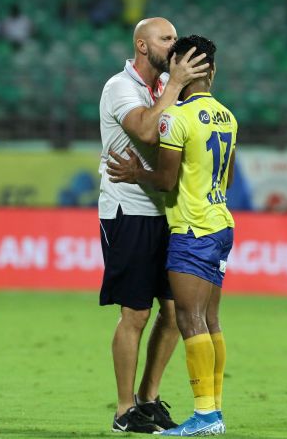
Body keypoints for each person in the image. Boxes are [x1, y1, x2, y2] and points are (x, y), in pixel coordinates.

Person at [107, 35, 236, 436]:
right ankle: (214, 410)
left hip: (191, 228)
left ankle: (205, 416)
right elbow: (223, 177)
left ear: (181, 67)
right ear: (212, 70)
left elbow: (166, 179)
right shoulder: (229, 117)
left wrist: (135, 174)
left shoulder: (175, 117)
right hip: (221, 223)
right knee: (210, 319)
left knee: (190, 318)